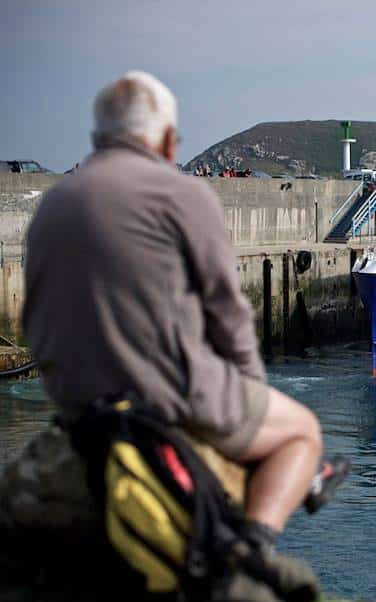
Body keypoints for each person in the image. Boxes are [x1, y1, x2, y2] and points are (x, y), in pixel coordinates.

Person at [22, 71, 327, 552]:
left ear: (98, 138)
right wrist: (249, 391)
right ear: (166, 140)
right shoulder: (181, 195)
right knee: (303, 433)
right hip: (163, 399)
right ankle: (252, 551)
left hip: (76, 400)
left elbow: (34, 318)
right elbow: (229, 315)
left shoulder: (54, 203)